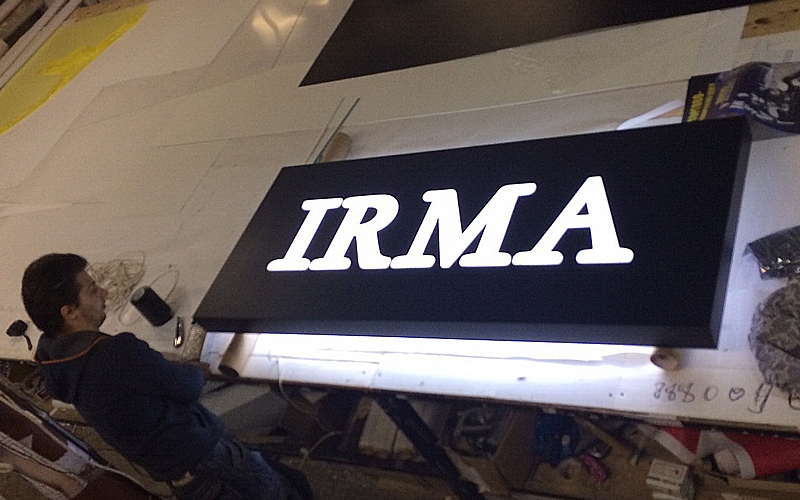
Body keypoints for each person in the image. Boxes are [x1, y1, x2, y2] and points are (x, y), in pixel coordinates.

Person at [22, 253, 308, 500]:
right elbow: (189, 385)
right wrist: (194, 368)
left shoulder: (53, 358)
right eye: (92, 289)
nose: (104, 293)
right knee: (273, 488)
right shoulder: (114, 354)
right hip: (203, 454)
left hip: (175, 474)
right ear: (69, 312)